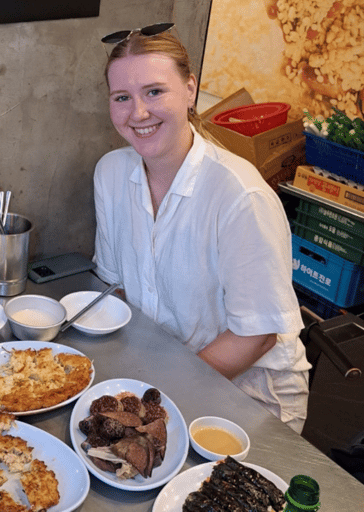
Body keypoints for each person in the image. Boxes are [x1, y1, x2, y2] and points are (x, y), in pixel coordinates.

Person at [92, 23, 312, 433]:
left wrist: (152, 402)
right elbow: (116, 288)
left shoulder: (239, 196)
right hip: (162, 376)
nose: (138, 112)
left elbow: (257, 336)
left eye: (155, 92)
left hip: (251, 400)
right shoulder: (110, 174)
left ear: (190, 89)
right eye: (122, 97)